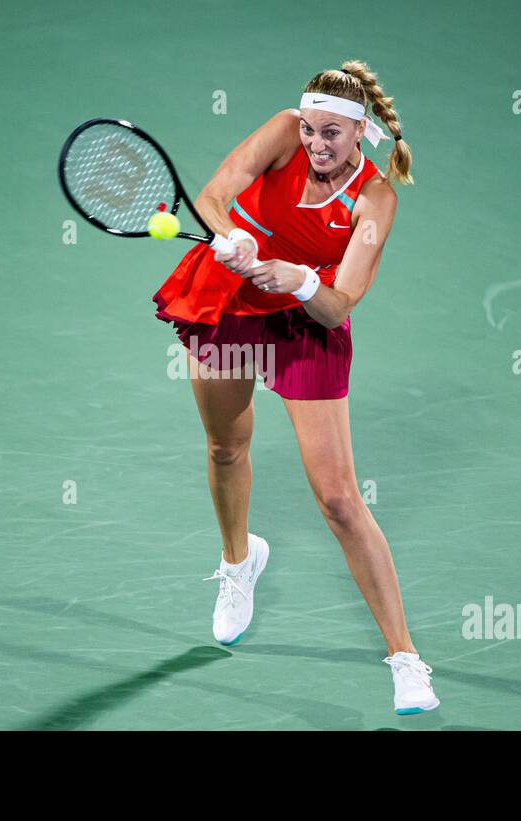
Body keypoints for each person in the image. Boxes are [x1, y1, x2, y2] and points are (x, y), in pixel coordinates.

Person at [150, 60, 439, 715]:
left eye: (332, 133)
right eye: (310, 129)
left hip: (305, 328)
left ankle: (405, 657)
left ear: (361, 133)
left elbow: (339, 305)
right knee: (226, 447)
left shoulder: (376, 198)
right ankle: (238, 560)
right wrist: (231, 240)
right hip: (227, 304)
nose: (315, 143)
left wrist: (301, 279)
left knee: (339, 501)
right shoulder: (283, 131)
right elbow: (213, 196)